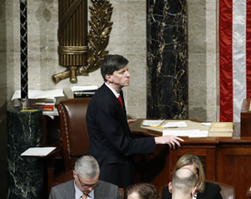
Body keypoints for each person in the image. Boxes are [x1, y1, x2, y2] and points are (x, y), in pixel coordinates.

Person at [86, 54, 183, 189]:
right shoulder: (104, 102)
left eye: (127, 70)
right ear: (108, 77)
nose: (128, 75)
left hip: (118, 162)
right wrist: (158, 140)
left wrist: (121, 123)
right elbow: (123, 145)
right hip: (111, 168)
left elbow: (110, 126)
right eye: (122, 72)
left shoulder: (115, 93)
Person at [48, 155, 121, 199]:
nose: (90, 189)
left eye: (94, 184)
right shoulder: (58, 194)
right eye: (86, 185)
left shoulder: (112, 192)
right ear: (75, 175)